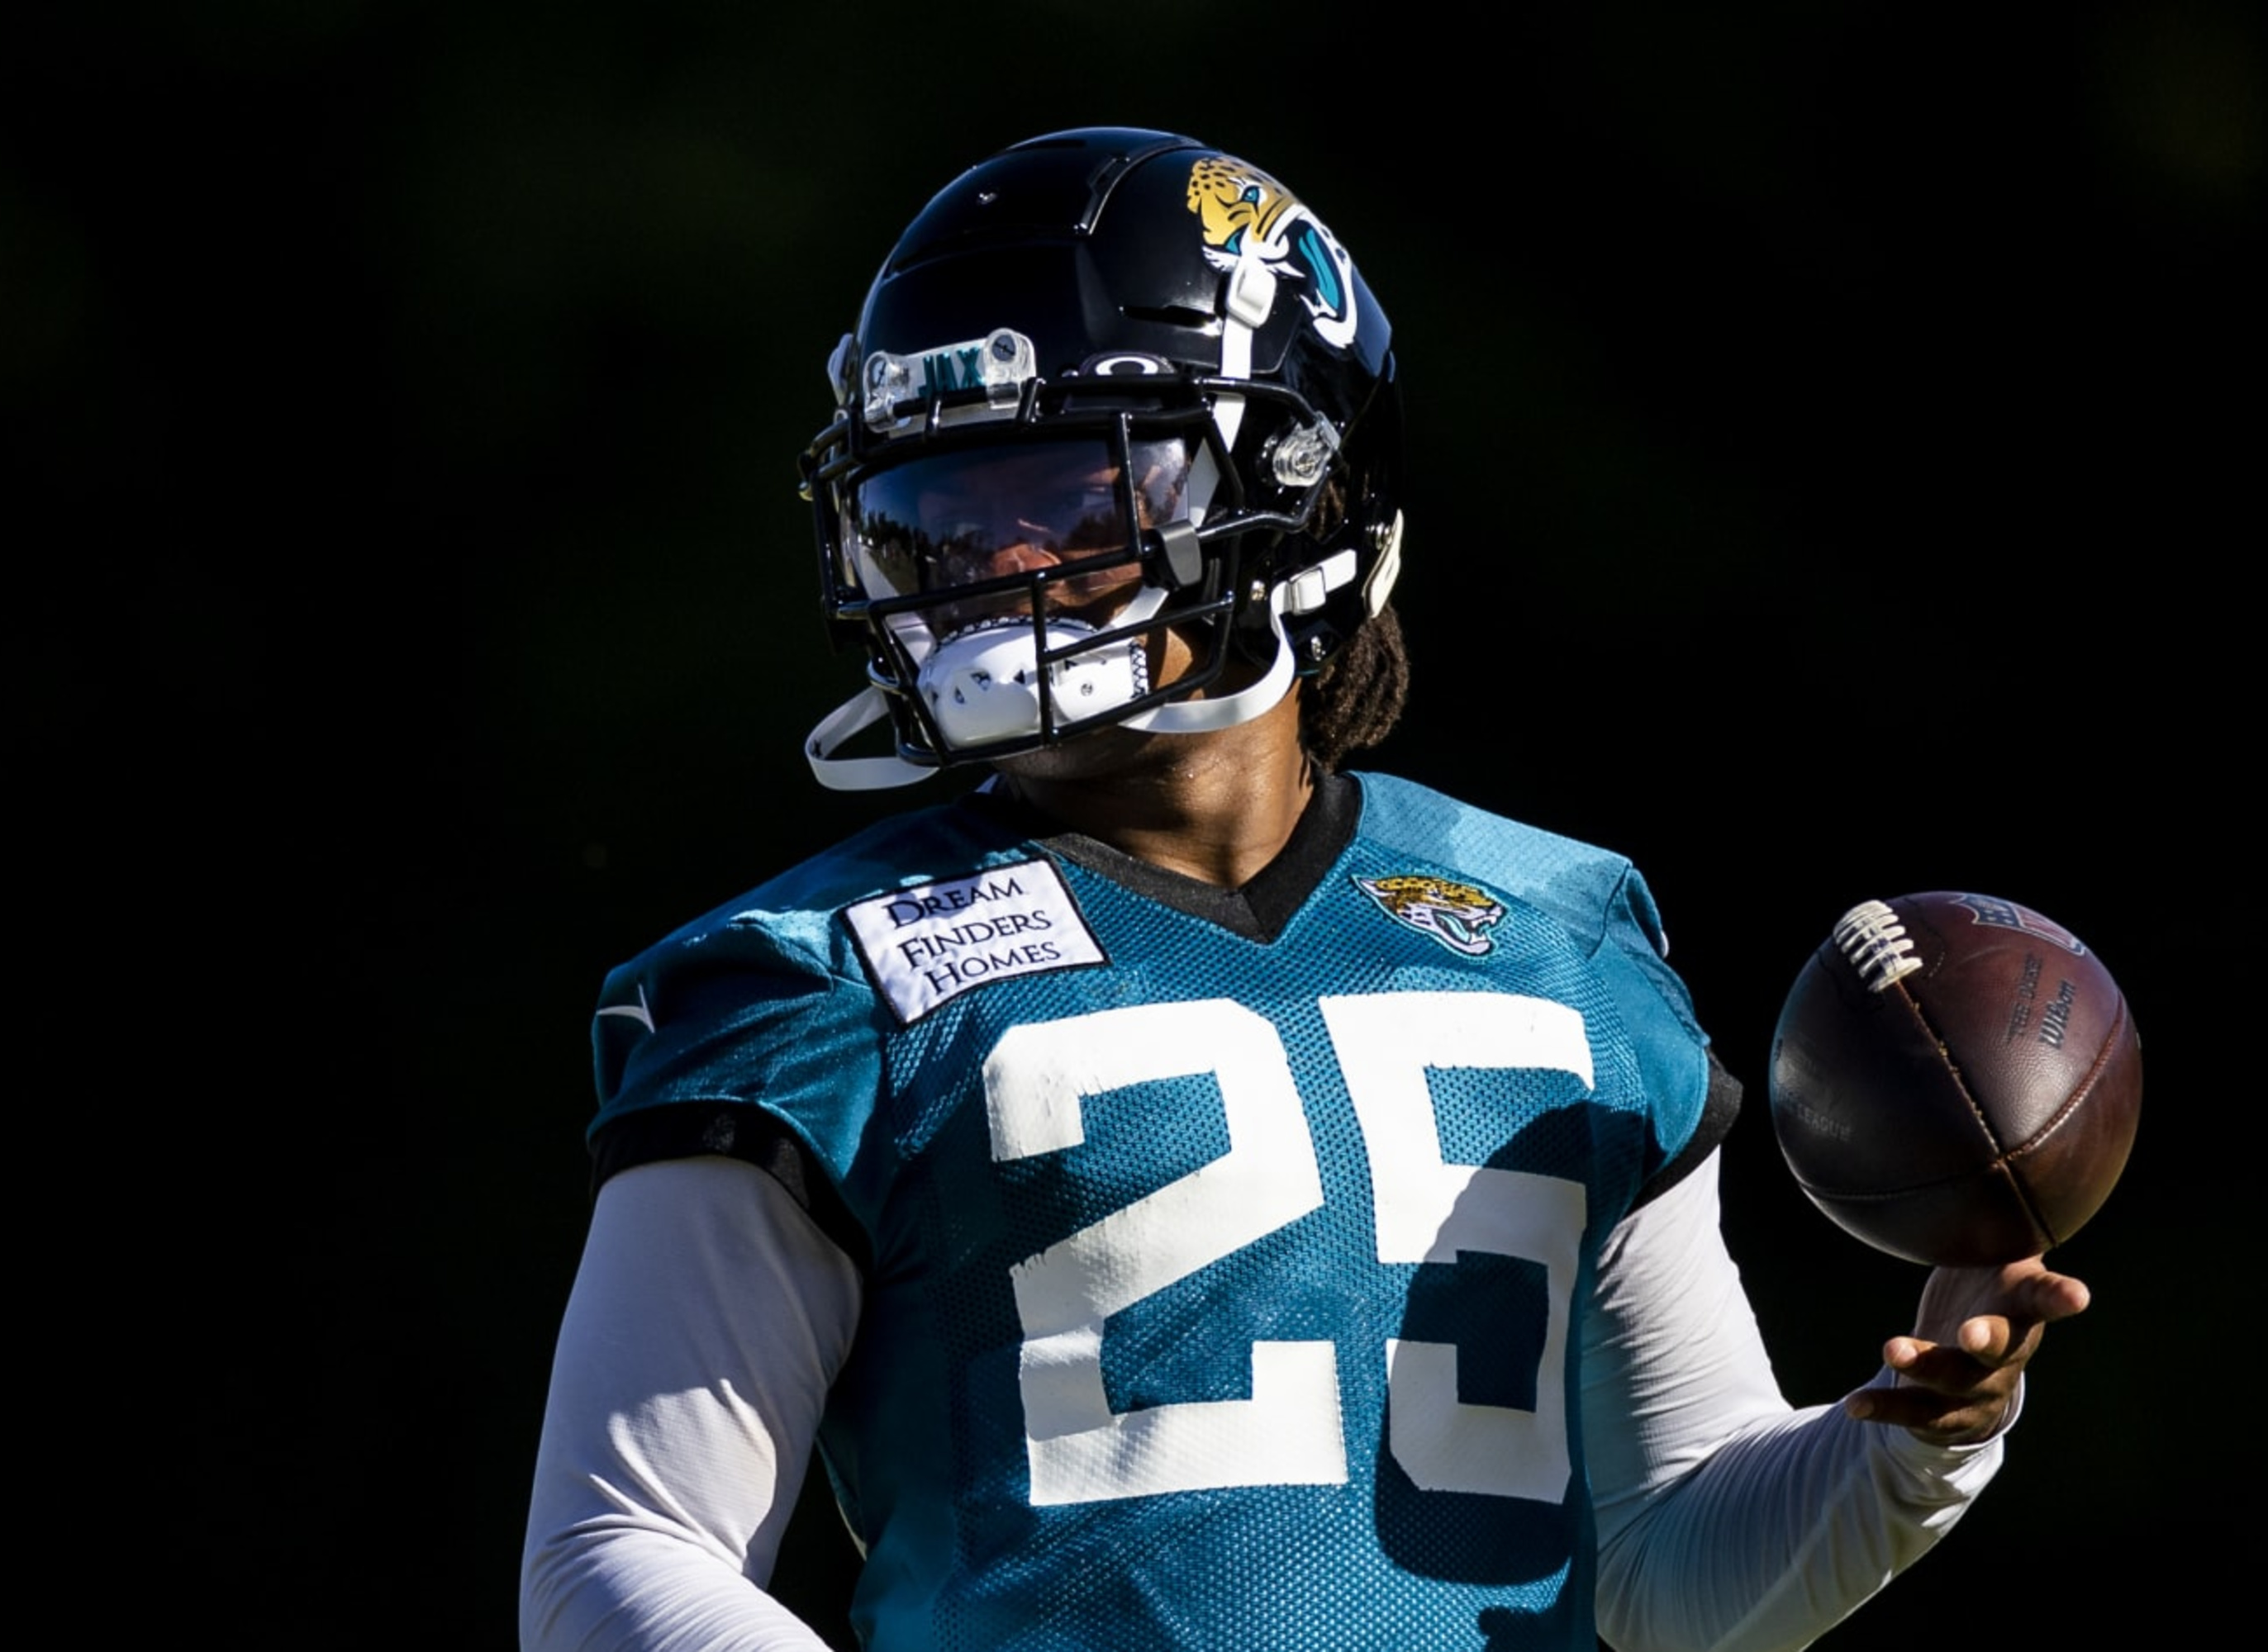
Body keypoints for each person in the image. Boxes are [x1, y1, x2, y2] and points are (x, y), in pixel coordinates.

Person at [517, 127, 2087, 1652]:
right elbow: (617, 1549)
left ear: (1298, 487)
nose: (989, 568)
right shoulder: (810, 983)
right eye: (940, 508)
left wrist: (1917, 1434)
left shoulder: (1559, 934)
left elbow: (1668, 1568)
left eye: (1068, 491)